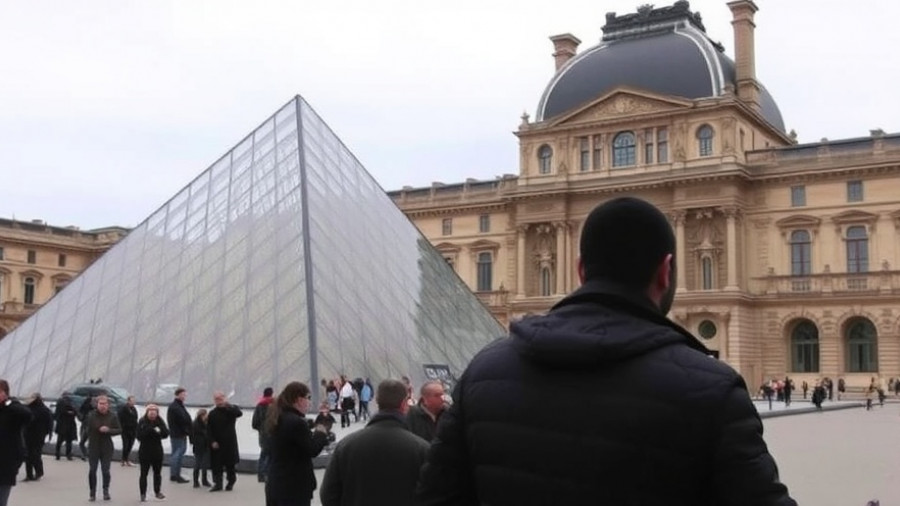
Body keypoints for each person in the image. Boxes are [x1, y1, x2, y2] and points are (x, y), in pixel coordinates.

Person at [415, 197, 796, 506]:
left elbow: (435, 498)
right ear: (665, 272)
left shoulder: (484, 371)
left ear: (582, 270)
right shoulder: (713, 390)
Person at [320, 379, 429, 506]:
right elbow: (434, 494)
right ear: (404, 404)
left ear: (377, 401)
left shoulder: (346, 446)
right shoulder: (421, 449)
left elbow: (328, 495)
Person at [265, 382, 329, 506]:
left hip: (276, 483)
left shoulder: (278, 418)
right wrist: (320, 433)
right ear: (299, 399)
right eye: (308, 398)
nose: (309, 402)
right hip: (294, 487)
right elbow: (312, 449)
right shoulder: (296, 422)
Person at [0, 379, 33, 506]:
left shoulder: (12, 410)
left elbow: (28, 414)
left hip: (5, 465)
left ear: (5, 393)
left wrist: (9, 402)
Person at [85, 395, 122, 501]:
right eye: (101, 404)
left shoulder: (113, 416)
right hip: (93, 446)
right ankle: (92, 493)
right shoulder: (91, 415)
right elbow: (87, 428)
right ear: (97, 405)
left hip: (107, 447)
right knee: (92, 470)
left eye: (105, 404)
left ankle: (106, 491)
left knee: (105, 470)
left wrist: (109, 430)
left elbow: (119, 429)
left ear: (108, 405)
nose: (103, 406)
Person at [207, 391, 242, 492]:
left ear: (224, 398)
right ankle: (218, 484)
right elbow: (209, 429)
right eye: (216, 399)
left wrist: (228, 405)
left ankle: (231, 482)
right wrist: (212, 441)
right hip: (217, 443)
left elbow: (239, 413)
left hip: (229, 442)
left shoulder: (230, 410)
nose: (218, 401)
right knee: (216, 465)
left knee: (230, 465)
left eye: (220, 398)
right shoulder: (212, 413)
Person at [136, 404, 169, 502]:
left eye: (154, 412)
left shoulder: (160, 421)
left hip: (157, 450)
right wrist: (150, 430)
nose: (152, 414)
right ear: (147, 412)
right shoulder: (142, 421)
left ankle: (157, 491)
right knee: (143, 473)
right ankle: (143, 494)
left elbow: (166, 434)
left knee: (157, 473)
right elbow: (139, 436)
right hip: (145, 451)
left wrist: (159, 431)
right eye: (150, 412)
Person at [23, 393, 53, 482]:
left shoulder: (32, 409)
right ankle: (34, 473)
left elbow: (49, 423)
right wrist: (48, 433)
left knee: (32, 454)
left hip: (34, 435)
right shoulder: (44, 410)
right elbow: (50, 423)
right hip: (36, 435)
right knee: (33, 454)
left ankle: (33, 473)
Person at [166, 387, 191, 483]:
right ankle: (176, 474)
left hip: (177, 433)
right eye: (183, 394)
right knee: (178, 454)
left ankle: (174, 474)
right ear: (178, 395)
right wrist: (187, 429)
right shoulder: (176, 406)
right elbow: (183, 419)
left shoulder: (176, 406)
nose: (185, 396)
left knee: (176, 453)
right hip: (179, 434)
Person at [252, 387, 275, 483]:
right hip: (273, 433)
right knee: (271, 455)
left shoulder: (259, 405)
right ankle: (268, 474)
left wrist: (261, 429)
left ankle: (261, 475)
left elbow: (254, 423)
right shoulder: (274, 405)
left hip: (263, 434)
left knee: (263, 454)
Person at [190, 409, 212, 488]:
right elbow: (192, 437)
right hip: (199, 446)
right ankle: (196, 481)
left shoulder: (205, 423)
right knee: (198, 464)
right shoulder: (195, 424)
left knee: (204, 464)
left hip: (205, 446)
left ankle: (203, 480)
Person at [54, 393, 78, 460]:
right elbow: (75, 412)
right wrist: (70, 413)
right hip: (70, 425)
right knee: (69, 441)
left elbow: (56, 414)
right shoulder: (71, 403)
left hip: (62, 425)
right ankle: (68, 455)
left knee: (59, 440)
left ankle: (57, 454)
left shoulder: (59, 403)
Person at [117, 396, 138, 467]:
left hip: (133, 430)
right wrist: (122, 427)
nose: (133, 402)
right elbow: (120, 419)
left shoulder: (134, 409)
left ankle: (127, 460)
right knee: (125, 445)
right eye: (132, 401)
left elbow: (135, 419)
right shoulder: (123, 409)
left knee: (130, 445)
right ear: (128, 401)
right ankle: (123, 460)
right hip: (125, 430)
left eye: (134, 401)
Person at [78, 394, 95, 460]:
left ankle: (84, 454)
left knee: (82, 442)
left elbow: (79, 414)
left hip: (84, 427)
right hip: (90, 428)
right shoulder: (92, 409)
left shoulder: (83, 407)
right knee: (90, 442)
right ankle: (88, 454)